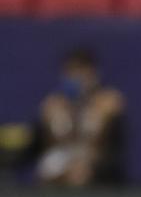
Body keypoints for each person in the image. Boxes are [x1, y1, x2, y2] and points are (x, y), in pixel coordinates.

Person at [33, 47, 126, 186]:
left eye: (81, 71)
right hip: (64, 158)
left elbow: (106, 147)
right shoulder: (54, 105)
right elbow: (47, 146)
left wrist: (97, 115)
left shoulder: (108, 102)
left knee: (79, 173)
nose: (76, 77)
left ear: (93, 73)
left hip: (97, 162)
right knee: (47, 170)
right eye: (70, 71)